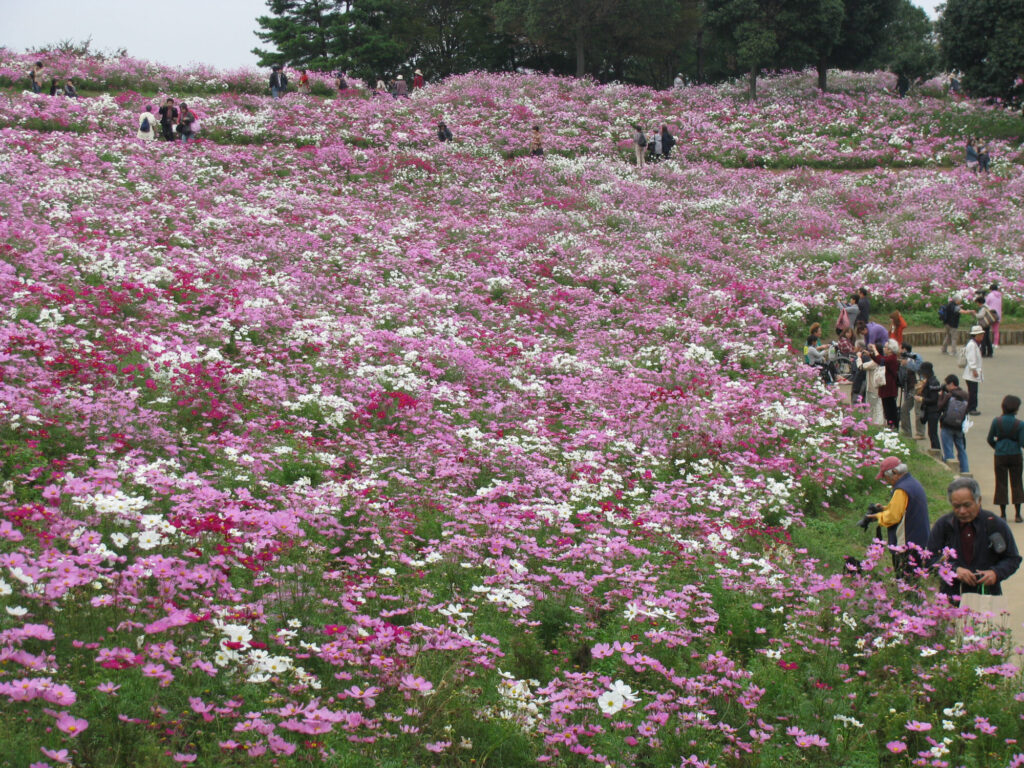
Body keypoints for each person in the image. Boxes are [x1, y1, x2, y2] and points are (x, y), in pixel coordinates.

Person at [926, 476, 1021, 599]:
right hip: (951, 598)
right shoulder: (943, 526)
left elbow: (1012, 558)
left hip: (987, 597)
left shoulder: (994, 524)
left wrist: (995, 573)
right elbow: (929, 559)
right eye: (956, 506)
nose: (962, 511)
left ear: (979, 501)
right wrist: (954, 570)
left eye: (967, 505)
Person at [864, 457, 931, 572]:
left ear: (894, 473)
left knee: (905, 577)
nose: (886, 481)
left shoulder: (901, 489)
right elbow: (903, 508)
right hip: (919, 538)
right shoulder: (911, 483)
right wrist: (884, 509)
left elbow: (893, 517)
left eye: (886, 477)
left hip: (907, 542)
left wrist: (876, 516)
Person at [987, 395, 1024, 522]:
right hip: (1015, 455)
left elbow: (990, 439)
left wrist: (997, 447)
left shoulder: (996, 421)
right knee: (1017, 483)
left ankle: (1003, 514)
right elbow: (1021, 443)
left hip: (1000, 455)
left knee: (1001, 483)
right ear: (1016, 409)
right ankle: (1018, 514)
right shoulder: (1020, 424)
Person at [939, 374, 971, 475]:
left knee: (948, 449)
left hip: (947, 425)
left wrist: (941, 395)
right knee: (961, 449)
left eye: (947, 384)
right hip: (959, 426)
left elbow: (940, 406)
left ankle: (952, 472)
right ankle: (965, 471)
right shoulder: (966, 395)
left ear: (952, 384)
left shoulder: (949, 395)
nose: (946, 386)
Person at [873, 339, 901, 429]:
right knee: (887, 408)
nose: (884, 349)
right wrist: (871, 355)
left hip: (889, 388)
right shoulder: (889, 358)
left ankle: (893, 426)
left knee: (890, 410)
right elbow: (880, 360)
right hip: (886, 387)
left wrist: (874, 350)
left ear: (890, 349)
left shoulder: (892, 358)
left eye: (886, 347)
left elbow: (882, 360)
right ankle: (891, 425)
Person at [897, 342, 924, 439]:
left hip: (918, 387)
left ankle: (920, 433)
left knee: (918, 411)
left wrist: (907, 364)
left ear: (904, 349)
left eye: (900, 348)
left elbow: (918, 368)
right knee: (904, 410)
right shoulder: (902, 359)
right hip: (908, 389)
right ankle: (907, 433)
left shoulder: (916, 357)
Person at [915, 361, 943, 453]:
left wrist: (922, 399)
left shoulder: (934, 383)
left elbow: (934, 399)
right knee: (931, 433)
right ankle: (935, 450)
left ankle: (936, 451)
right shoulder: (929, 381)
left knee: (933, 433)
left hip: (933, 411)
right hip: (929, 410)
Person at [963, 324, 984, 415]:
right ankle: (971, 408)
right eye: (980, 334)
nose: (982, 336)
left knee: (973, 391)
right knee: (973, 391)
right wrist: (974, 370)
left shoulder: (975, 344)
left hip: (972, 371)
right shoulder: (972, 345)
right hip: (971, 372)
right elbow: (971, 358)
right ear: (976, 335)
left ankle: (971, 407)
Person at [986, 282, 1003, 349]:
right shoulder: (1000, 296)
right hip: (998, 314)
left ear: (991, 289)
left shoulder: (990, 295)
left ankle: (985, 343)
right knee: (996, 330)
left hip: (990, 314)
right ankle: (996, 344)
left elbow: (986, 303)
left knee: (986, 329)